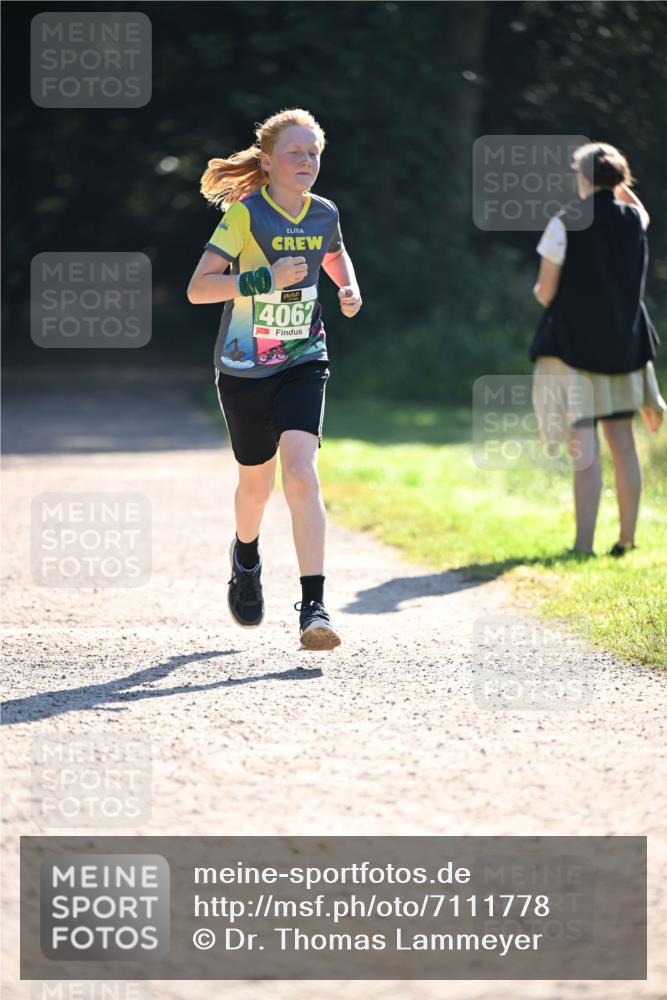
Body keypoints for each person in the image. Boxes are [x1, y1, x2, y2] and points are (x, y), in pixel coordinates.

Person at [187, 108, 362, 649]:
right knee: (256, 486)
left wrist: (348, 287)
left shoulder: (324, 213)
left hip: (304, 355)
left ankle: (315, 608)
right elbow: (198, 288)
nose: (306, 161)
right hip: (244, 365)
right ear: (267, 162)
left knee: (301, 474)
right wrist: (262, 278)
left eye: (313, 153)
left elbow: (334, 253)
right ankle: (246, 556)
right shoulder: (246, 216)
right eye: (295, 153)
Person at [530, 141, 665, 557]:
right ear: (619, 179)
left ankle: (583, 545)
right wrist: (617, 182)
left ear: (582, 177)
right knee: (623, 443)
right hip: (626, 346)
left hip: (576, 350)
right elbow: (638, 209)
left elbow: (546, 293)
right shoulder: (633, 219)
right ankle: (627, 539)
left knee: (584, 449)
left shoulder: (564, 222)